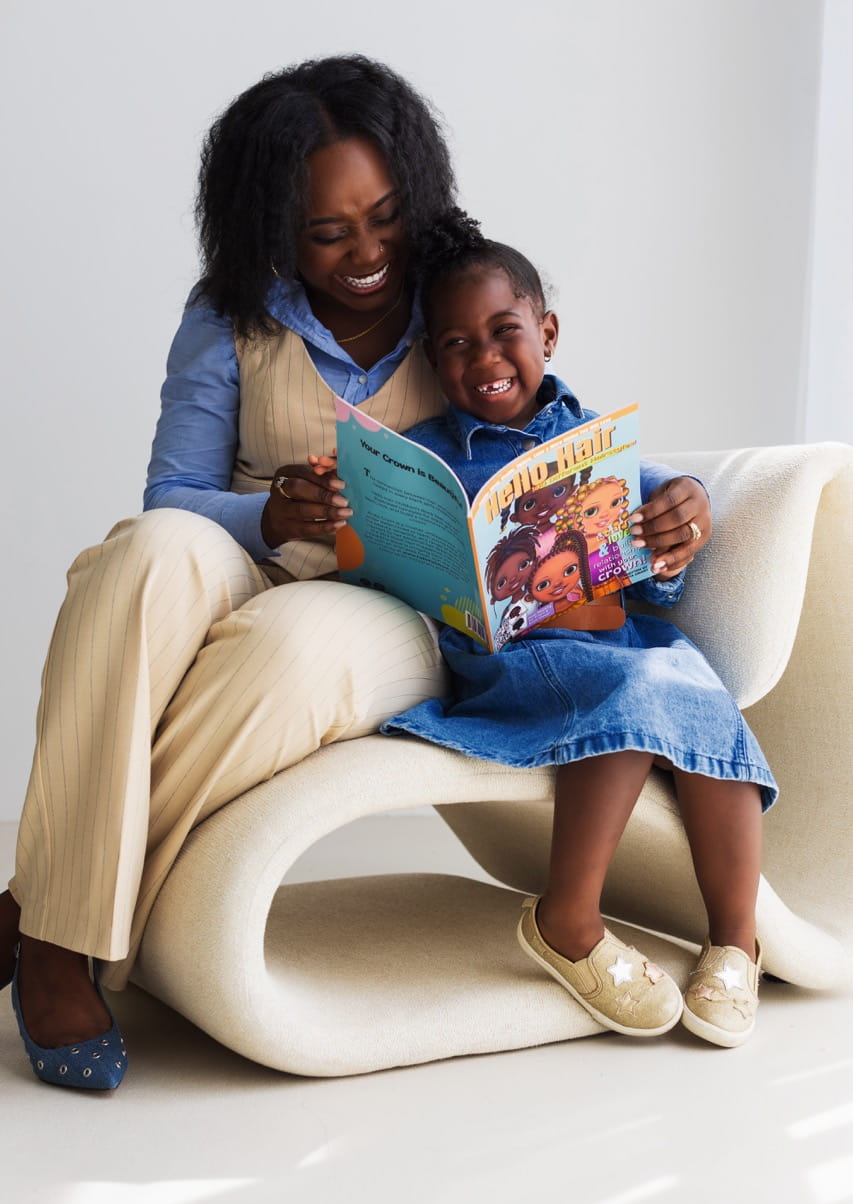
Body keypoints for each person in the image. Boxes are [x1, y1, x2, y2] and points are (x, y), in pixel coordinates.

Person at [1, 58, 713, 1092]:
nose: (368, 252)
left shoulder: (459, 298)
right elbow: (174, 498)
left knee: (297, 656)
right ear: (272, 227)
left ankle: (46, 920)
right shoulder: (231, 315)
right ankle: (60, 923)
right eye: (330, 233)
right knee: (142, 556)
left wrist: (665, 502)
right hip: (240, 555)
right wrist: (266, 511)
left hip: (387, 605)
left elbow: (559, 442)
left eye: (384, 218)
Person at [366, 215, 774, 1047]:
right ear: (430, 360)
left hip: (622, 642)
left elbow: (666, 529)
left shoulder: (591, 446)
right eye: (453, 345)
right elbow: (375, 558)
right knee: (630, 693)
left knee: (693, 694)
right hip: (514, 662)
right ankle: (569, 922)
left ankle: (736, 940)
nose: (482, 360)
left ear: (545, 333)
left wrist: (677, 518)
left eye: (502, 333)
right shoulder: (420, 455)